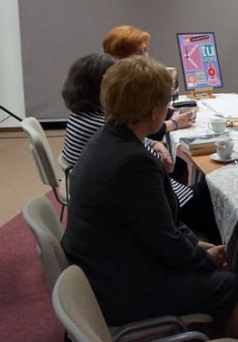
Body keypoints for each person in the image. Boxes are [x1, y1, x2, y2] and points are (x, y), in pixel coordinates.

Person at [61, 56, 238, 342]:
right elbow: (163, 243)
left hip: (101, 264)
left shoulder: (110, 139)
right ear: (153, 111)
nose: (168, 109)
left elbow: (155, 226)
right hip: (116, 285)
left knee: (209, 261)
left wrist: (194, 245)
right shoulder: (132, 163)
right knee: (227, 283)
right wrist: (202, 258)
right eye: (165, 103)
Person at [60, 53, 221, 244]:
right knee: (212, 192)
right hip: (118, 245)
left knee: (202, 185)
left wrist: (153, 144)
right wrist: (201, 255)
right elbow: (162, 237)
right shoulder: (132, 160)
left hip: (101, 217)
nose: (145, 54)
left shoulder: (91, 121)